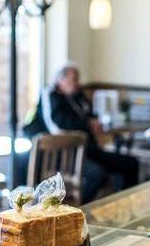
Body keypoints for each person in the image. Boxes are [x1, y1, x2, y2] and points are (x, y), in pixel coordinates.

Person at [23, 63, 139, 202]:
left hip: (88, 150)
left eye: (77, 79)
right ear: (61, 80)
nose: (77, 83)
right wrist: (88, 124)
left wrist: (95, 122)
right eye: (73, 80)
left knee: (130, 163)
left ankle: (123, 206)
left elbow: (90, 114)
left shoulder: (77, 96)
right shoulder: (51, 94)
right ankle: (77, 211)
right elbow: (57, 126)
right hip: (64, 155)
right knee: (97, 175)